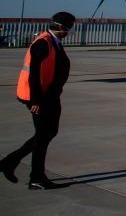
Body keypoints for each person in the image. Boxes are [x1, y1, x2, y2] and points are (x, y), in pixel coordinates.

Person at [1, 11, 75, 190]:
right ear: (59, 27)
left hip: (50, 96)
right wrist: (35, 101)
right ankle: (36, 177)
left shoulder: (53, 42)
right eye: (68, 29)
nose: (68, 33)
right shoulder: (43, 43)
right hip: (38, 98)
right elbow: (33, 74)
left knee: (48, 133)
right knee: (43, 135)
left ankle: (10, 162)